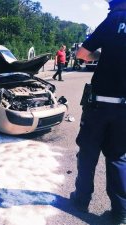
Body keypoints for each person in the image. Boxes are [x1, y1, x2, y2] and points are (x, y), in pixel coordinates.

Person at [71, 0, 126, 224]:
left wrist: (102, 56)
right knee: (118, 158)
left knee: (88, 154)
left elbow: (83, 54)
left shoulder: (113, 20)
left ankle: (82, 201)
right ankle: (121, 213)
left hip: (99, 106)